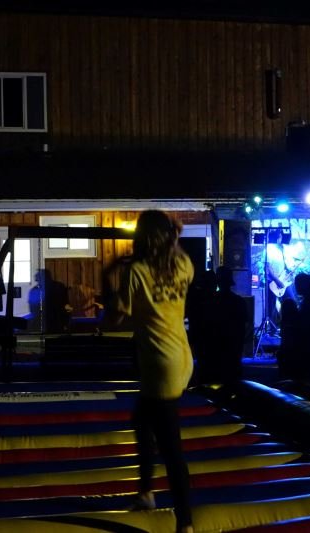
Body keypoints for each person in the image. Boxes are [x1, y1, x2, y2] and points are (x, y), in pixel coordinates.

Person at [104, 210, 195, 533]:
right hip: (182, 357)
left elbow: (116, 318)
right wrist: (176, 238)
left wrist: (108, 280)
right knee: (141, 421)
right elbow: (175, 253)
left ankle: (185, 521)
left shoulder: (138, 271)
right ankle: (146, 492)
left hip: (160, 363)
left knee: (171, 445)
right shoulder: (183, 264)